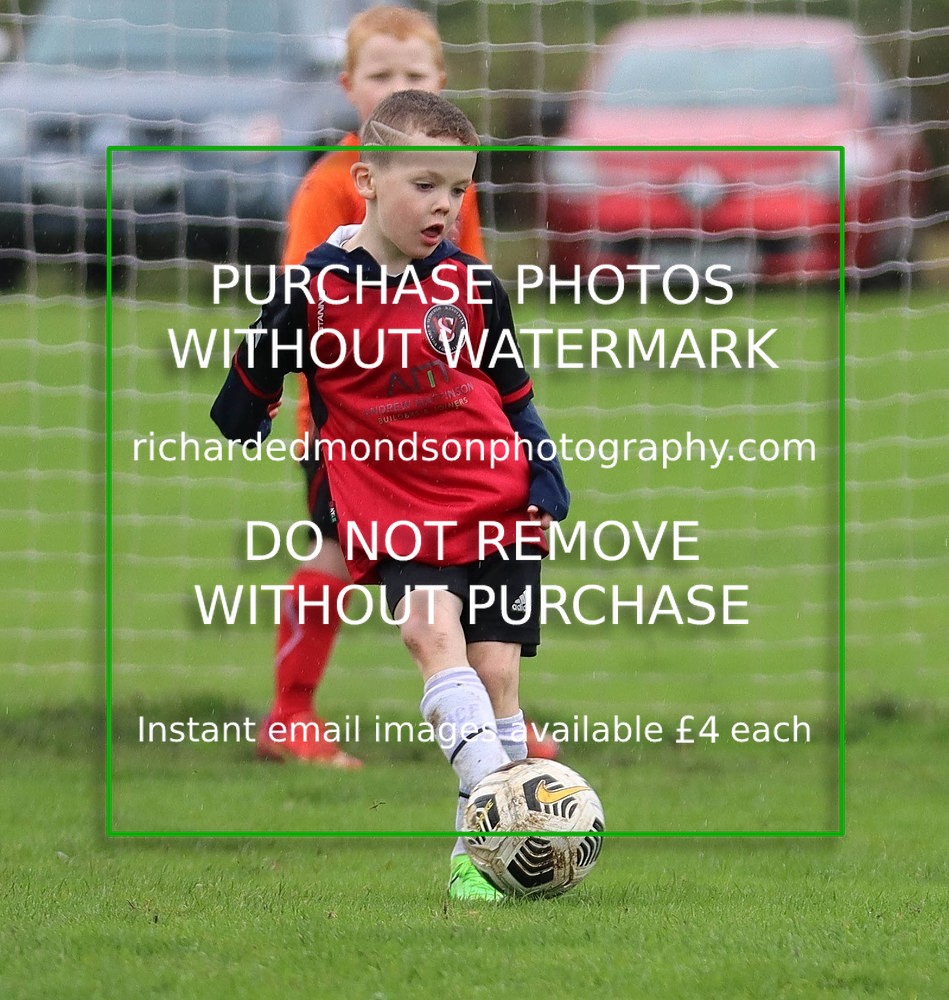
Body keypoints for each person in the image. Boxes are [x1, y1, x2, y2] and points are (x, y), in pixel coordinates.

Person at [212, 90, 569, 900]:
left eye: (459, 189)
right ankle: (516, 821)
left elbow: (514, 397)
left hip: (499, 500)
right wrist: (253, 390)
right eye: (425, 184)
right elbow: (243, 400)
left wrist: (545, 470)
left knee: (496, 676)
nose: (445, 204)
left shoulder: (474, 286)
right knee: (428, 634)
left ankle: (479, 860)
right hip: (398, 510)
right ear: (366, 181)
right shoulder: (313, 291)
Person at [261, 4, 556, 766]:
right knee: (336, 554)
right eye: (379, 74)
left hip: (443, 427)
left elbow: (468, 298)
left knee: (472, 552)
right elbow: (297, 308)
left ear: (440, 83)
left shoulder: (451, 180)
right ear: (347, 86)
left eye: (413, 73)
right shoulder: (332, 186)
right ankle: (291, 712)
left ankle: (495, 713)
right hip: (352, 433)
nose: (395, 85)